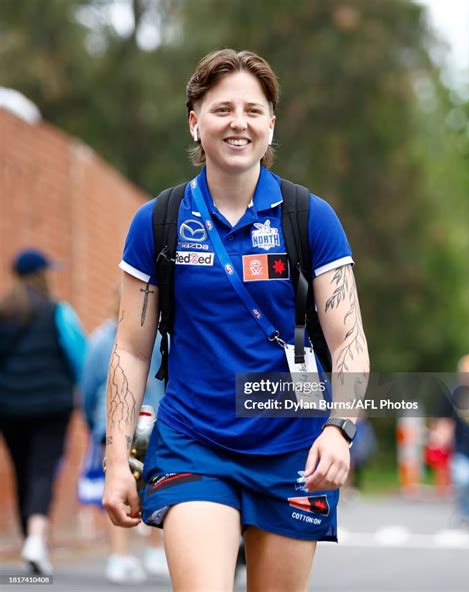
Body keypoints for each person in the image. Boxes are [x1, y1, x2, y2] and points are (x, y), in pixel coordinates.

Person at [103, 49, 370, 590]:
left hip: (295, 448)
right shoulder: (157, 222)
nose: (238, 123)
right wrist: (114, 461)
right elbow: (130, 350)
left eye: (253, 109)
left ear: (271, 123)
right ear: (194, 120)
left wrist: (340, 431)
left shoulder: (310, 218)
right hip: (193, 442)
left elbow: (350, 342)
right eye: (222, 109)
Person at [0, 248, 86, 575]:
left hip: (9, 408)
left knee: (22, 470)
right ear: (41, 274)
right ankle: (36, 539)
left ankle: (29, 540)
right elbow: (80, 356)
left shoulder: (3, 314)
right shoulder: (58, 312)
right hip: (52, 405)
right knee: (42, 470)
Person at [78, 286, 167, 583]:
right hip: (149, 417)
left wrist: (93, 422)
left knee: (117, 485)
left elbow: (88, 384)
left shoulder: (101, 339)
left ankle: (120, 555)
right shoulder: (156, 335)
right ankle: (154, 549)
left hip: (111, 421)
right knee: (152, 480)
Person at [428, 354, 469, 526]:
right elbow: (444, 419)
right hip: (462, 447)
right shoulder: (453, 392)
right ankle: (466, 513)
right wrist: (440, 435)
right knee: (463, 480)